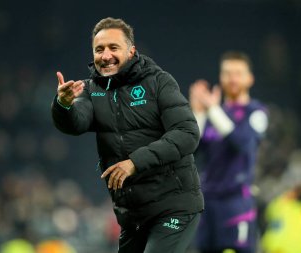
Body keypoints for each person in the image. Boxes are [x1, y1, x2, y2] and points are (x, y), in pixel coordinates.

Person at [51, 17, 204, 253]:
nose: (106, 55)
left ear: (131, 51)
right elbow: (76, 123)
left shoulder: (158, 82)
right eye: (99, 49)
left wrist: (135, 162)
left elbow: (187, 133)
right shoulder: (93, 90)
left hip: (174, 207)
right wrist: (64, 105)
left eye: (114, 47)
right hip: (133, 215)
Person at [189, 51, 268, 253]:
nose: (232, 79)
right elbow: (191, 150)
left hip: (236, 202)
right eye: (227, 73)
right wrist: (198, 112)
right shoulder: (213, 112)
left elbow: (242, 143)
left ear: (250, 78)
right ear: (221, 77)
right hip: (208, 202)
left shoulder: (256, 112)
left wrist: (213, 110)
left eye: (238, 73)